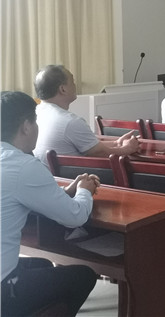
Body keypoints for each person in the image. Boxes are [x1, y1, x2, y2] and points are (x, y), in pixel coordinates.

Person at [1, 91, 99, 316]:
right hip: (4, 291)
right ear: (26, 126)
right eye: (35, 122)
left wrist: (64, 192)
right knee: (84, 276)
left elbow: (15, 196)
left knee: (43, 265)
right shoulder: (23, 165)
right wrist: (85, 190)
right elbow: (75, 216)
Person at [33, 65, 140, 166]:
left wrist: (116, 143)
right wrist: (127, 149)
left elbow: (91, 146)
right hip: (79, 178)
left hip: (52, 176)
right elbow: (99, 153)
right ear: (63, 89)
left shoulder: (35, 114)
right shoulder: (70, 122)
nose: (75, 85)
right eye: (72, 81)